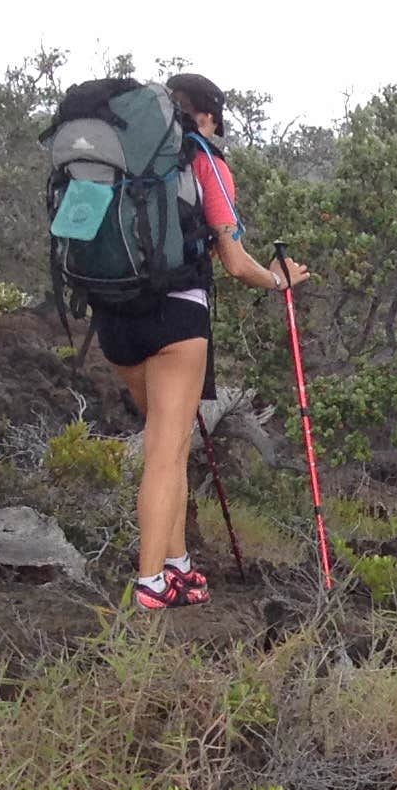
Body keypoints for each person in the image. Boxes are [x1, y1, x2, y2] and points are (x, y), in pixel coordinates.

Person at [66, 70, 307, 609]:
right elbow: (236, 262)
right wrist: (279, 279)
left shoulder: (115, 160)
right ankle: (152, 582)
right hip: (176, 318)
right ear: (209, 116)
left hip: (114, 316)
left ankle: (177, 566)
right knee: (167, 454)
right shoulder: (205, 159)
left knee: (165, 441)